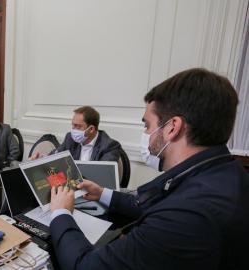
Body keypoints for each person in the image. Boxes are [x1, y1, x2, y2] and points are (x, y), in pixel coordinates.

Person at [49, 68, 249, 269]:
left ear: (172, 127)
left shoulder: (184, 216)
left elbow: (85, 266)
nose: (147, 133)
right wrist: (102, 193)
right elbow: (153, 202)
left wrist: (61, 214)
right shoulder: (224, 171)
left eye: (147, 125)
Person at [32, 106, 122, 161]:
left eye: (78, 126)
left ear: (91, 129)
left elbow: (104, 175)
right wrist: (41, 159)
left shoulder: (110, 146)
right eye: (73, 125)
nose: (73, 130)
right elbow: (56, 155)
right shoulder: (70, 138)